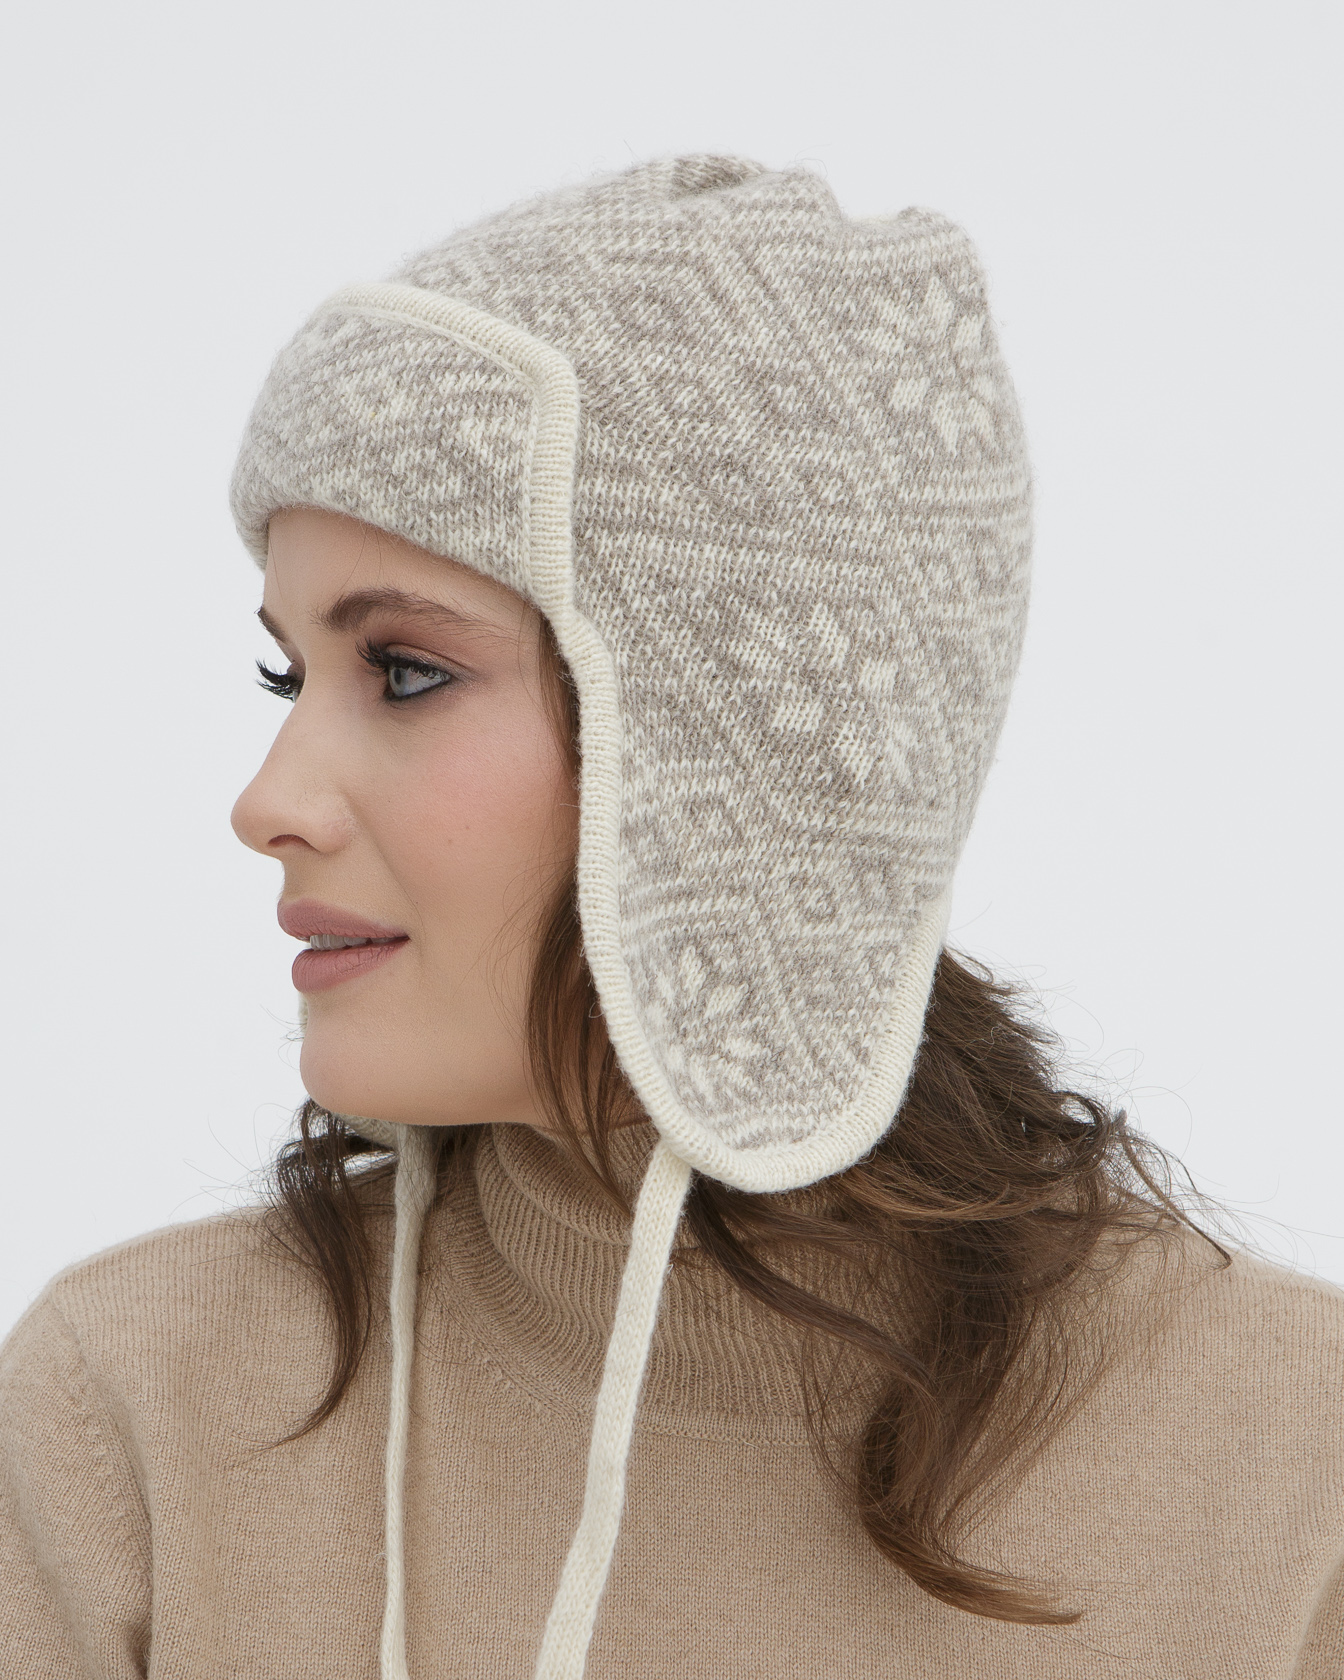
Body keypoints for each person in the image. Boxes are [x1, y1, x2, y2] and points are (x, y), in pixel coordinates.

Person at [2, 154, 1341, 1680]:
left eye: (406, 671)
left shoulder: (1290, 1464)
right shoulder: (135, 1416)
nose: (269, 800)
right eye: (285, 673)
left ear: (740, 746)